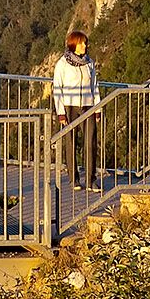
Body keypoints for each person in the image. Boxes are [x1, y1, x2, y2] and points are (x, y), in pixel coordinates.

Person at [49, 29, 101, 187]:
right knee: (71, 142)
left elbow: (94, 86)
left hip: (88, 105)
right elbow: (57, 88)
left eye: (85, 42)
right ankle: (74, 179)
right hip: (70, 107)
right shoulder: (62, 64)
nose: (85, 45)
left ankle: (91, 180)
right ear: (74, 45)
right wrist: (60, 113)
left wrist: (97, 108)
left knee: (90, 142)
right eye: (81, 43)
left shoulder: (89, 62)